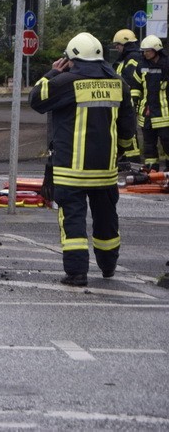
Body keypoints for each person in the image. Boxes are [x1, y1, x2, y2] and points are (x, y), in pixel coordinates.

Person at [29, 32, 135, 286]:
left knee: (73, 221)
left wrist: (53, 72)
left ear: (71, 59)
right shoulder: (119, 84)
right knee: (107, 219)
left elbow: (36, 99)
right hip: (105, 171)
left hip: (71, 170)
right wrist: (118, 153)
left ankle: (77, 273)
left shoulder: (66, 81)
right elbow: (127, 128)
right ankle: (108, 266)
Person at [137, 35, 169, 172]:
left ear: (156, 50)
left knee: (167, 142)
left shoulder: (166, 65)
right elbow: (136, 86)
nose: (145, 53)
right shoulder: (141, 65)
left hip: (164, 114)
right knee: (149, 145)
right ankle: (151, 171)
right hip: (146, 113)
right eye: (143, 51)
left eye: (148, 51)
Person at [111, 29, 144, 163]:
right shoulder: (125, 60)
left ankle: (132, 162)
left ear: (126, 44)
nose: (116, 48)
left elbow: (132, 86)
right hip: (124, 103)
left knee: (130, 133)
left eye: (118, 45)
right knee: (127, 132)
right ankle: (128, 161)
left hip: (129, 103)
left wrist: (132, 104)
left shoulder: (132, 59)